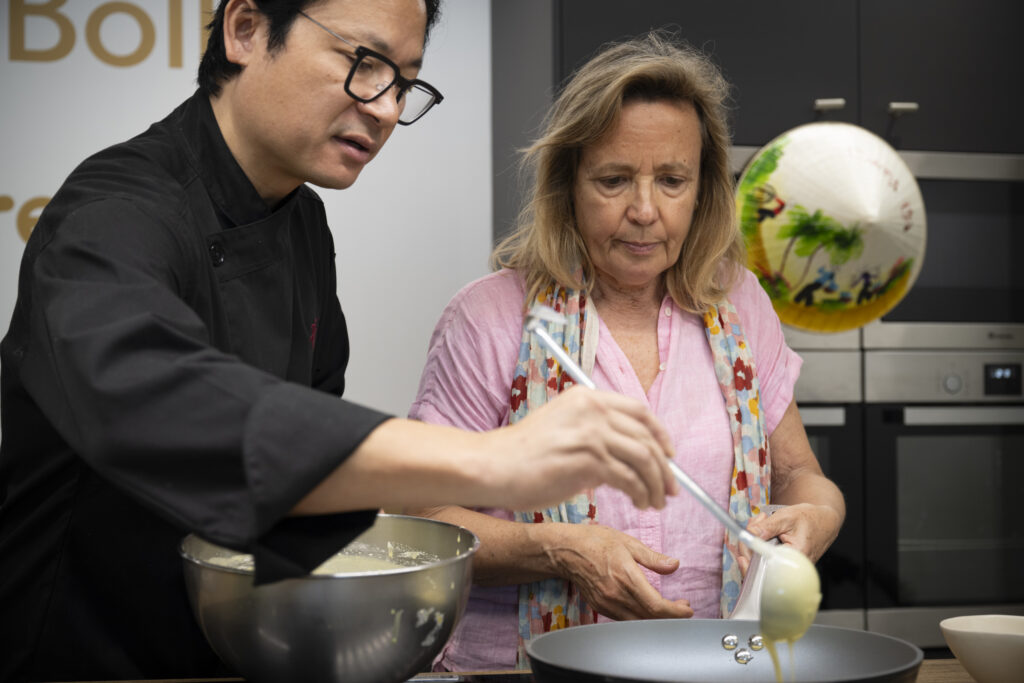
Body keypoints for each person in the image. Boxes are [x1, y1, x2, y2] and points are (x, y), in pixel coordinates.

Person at [0, 2, 683, 680]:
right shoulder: (113, 212)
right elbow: (160, 399)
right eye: (364, 64)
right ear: (244, 29)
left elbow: (307, 472)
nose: (386, 108)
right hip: (76, 655)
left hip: (231, 646)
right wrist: (490, 459)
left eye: (405, 82)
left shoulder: (303, 224)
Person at [407, 31, 846, 671]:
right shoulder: (490, 317)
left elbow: (800, 476)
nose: (645, 211)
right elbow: (423, 522)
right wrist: (558, 550)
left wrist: (818, 519)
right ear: (568, 184)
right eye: (614, 180)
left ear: (703, 190)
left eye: (672, 180)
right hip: (518, 670)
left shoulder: (740, 304)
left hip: (718, 662)